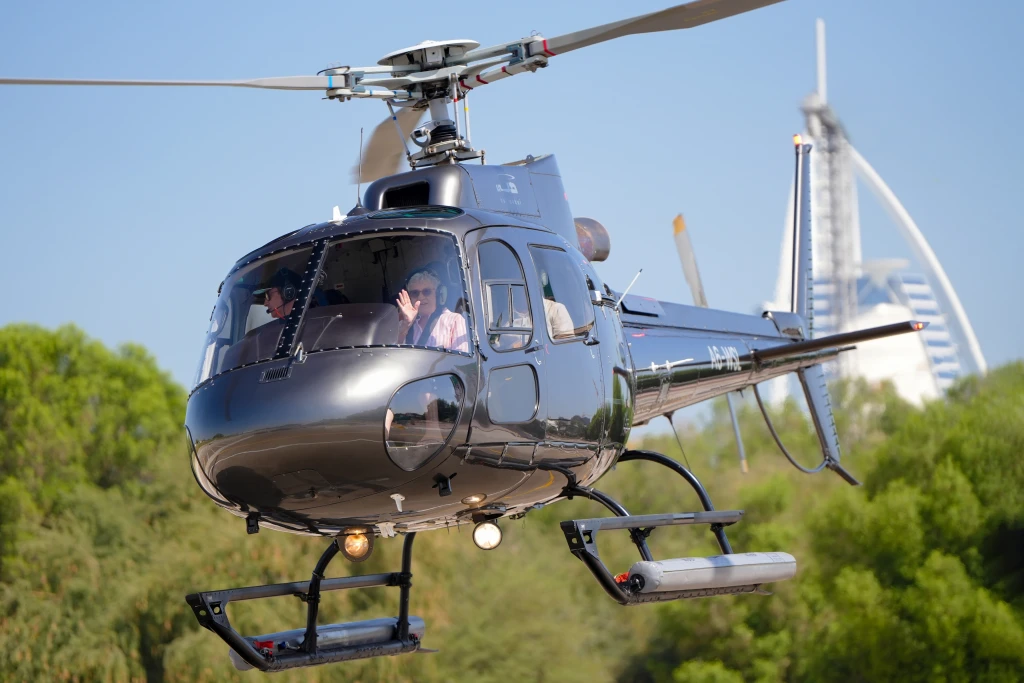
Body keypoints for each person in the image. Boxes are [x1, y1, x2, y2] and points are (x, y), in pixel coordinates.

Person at [395, 268, 469, 353]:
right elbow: (392, 356)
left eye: (427, 291)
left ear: (438, 293)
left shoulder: (454, 320)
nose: (420, 297)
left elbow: (461, 361)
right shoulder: (405, 325)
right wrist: (405, 325)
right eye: (415, 293)